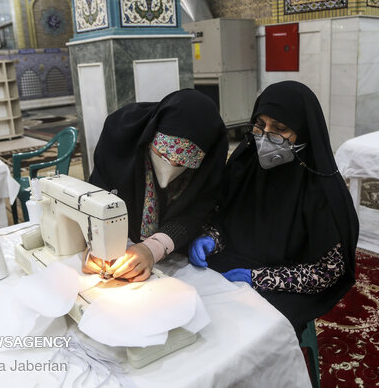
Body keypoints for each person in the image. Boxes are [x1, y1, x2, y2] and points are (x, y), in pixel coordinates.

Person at [188, 81, 359, 337]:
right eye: (260, 124)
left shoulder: (320, 191)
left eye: (280, 129)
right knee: (191, 313)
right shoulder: (243, 167)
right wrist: (212, 239)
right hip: (233, 263)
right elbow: (224, 218)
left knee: (242, 335)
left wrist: (260, 277)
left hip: (289, 284)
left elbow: (328, 271)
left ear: (303, 133)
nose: (265, 136)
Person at [83, 89, 228, 283]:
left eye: (181, 164)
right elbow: (98, 193)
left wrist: (153, 248)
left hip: (171, 255)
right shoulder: (121, 135)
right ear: (151, 136)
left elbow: (195, 213)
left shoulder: (208, 165)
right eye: (162, 155)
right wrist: (95, 240)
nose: (170, 166)